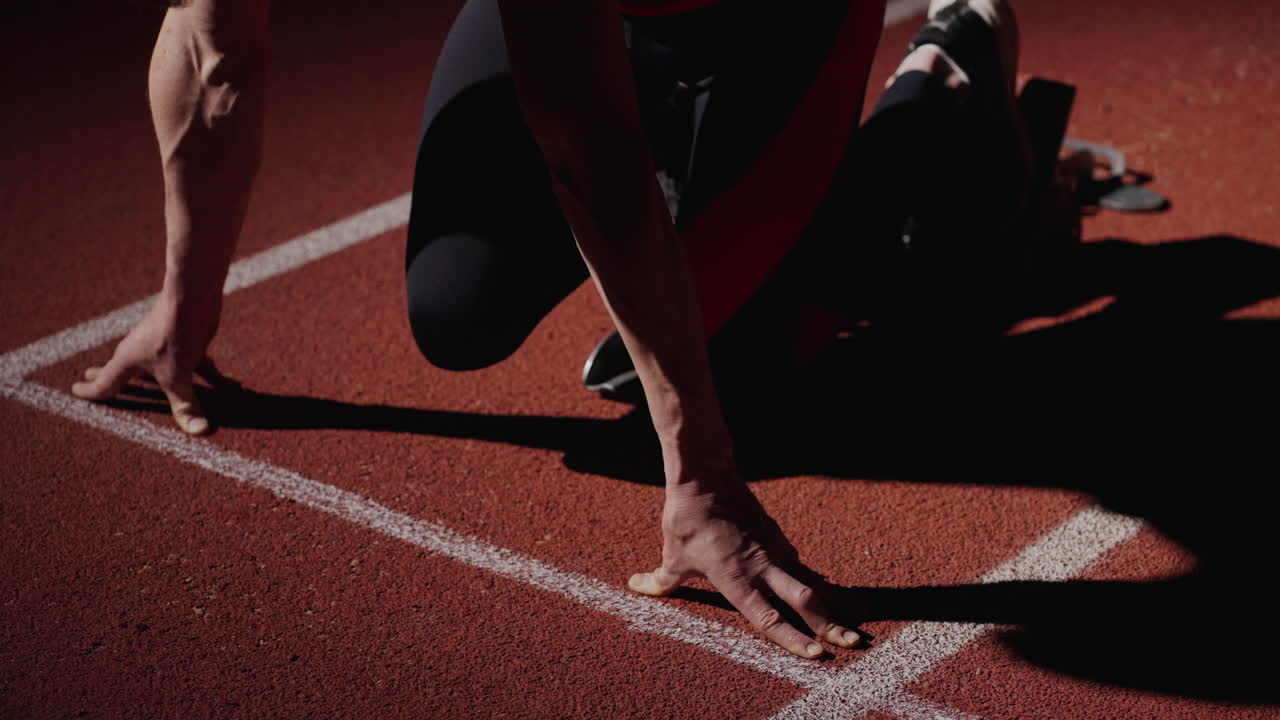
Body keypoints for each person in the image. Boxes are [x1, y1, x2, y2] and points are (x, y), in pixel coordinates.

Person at [74, 0, 1030, 658]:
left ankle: (945, 77)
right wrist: (183, 298)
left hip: (777, 15)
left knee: (740, 365)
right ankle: (699, 186)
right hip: (594, 17)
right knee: (456, 312)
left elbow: (585, 141)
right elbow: (208, 45)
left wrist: (699, 471)